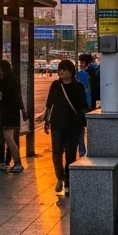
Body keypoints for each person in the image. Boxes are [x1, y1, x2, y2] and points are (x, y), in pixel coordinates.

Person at [44, 58, 88, 196]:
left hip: (73, 126)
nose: (63, 73)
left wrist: (83, 122)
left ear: (71, 72)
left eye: (65, 70)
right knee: (56, 153)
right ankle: (60, 177)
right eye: (60, 71)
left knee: (70, 155)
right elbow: (49, 105)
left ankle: (68, 182)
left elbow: (83, 107)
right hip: (56, 125)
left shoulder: (78, 87)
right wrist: (46, 121)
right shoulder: (55, 85)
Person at [0, 59, 28, 173]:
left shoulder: (5, 80)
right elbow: (18, 96)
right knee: (10, 138)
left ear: (1, 69)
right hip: (14, 112)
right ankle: (9, 161)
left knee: (8, 138)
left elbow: (0, 96)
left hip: (7, 112)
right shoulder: (13, 79)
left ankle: (18, 163)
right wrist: (23, 110)